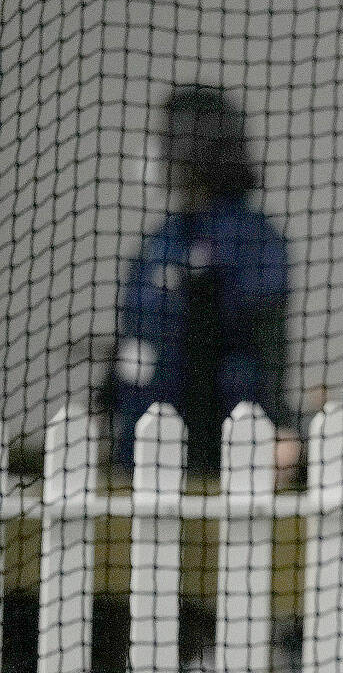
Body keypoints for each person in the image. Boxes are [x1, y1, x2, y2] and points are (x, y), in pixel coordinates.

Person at [107, 85, 295, 477]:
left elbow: (266, 338)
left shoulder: (250, 238)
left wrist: (278, 421)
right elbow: (135, 337)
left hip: (219, 456)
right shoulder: (161, 241)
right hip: (139, 453)